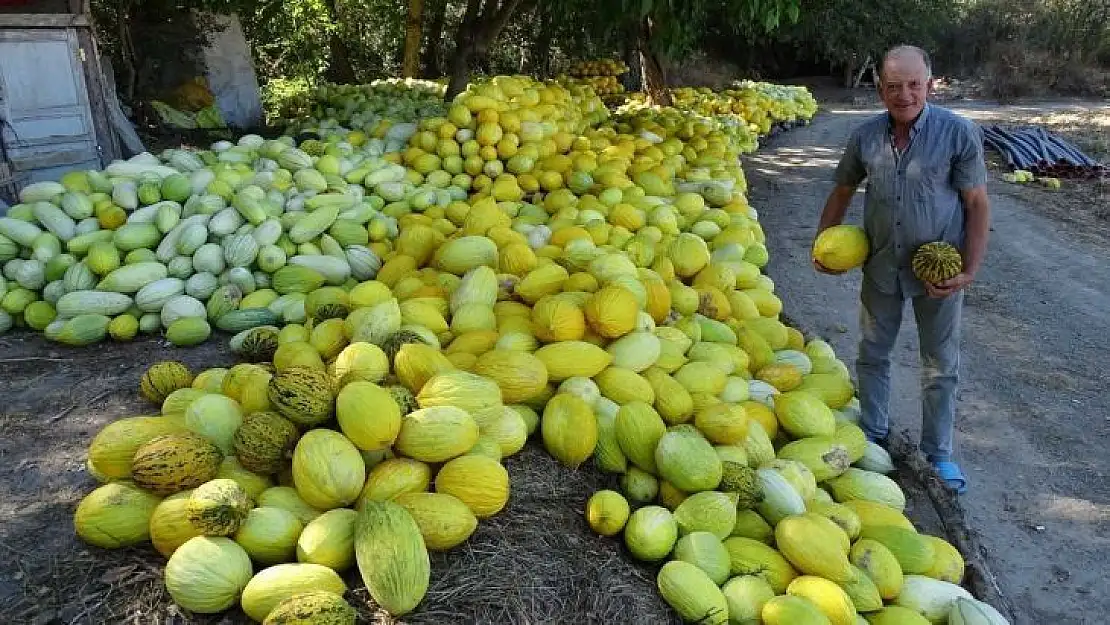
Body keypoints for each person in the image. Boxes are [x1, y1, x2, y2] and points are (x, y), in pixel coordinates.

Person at [813, 45, 991, 494]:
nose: (904, 94)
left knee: (939, 366)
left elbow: (976, 203)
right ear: (881, 90)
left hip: (939, 271)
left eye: (914, 84)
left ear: (931, 84)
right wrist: (824, 244)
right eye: (894, 86)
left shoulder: (958, 134)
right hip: (881, 266)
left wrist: (968, 270)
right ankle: (873, 438)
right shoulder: (866, 137)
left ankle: (939, 455)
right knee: (872, 355)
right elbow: (842, 190)